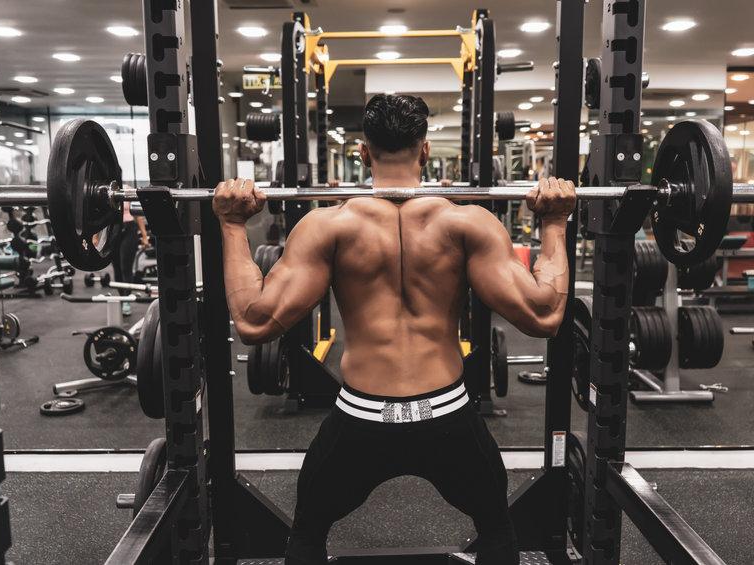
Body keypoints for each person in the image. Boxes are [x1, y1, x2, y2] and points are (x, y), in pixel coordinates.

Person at [213, 94, 576, 565]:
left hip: (360, 420)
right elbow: (545, 316)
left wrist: (232, 224)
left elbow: (253, 320)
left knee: (306, 536)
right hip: (449, 418)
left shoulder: (327, 227)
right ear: (425, 151)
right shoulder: (468, 223)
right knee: (497, 532)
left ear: (363, 153)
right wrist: (555, 222)